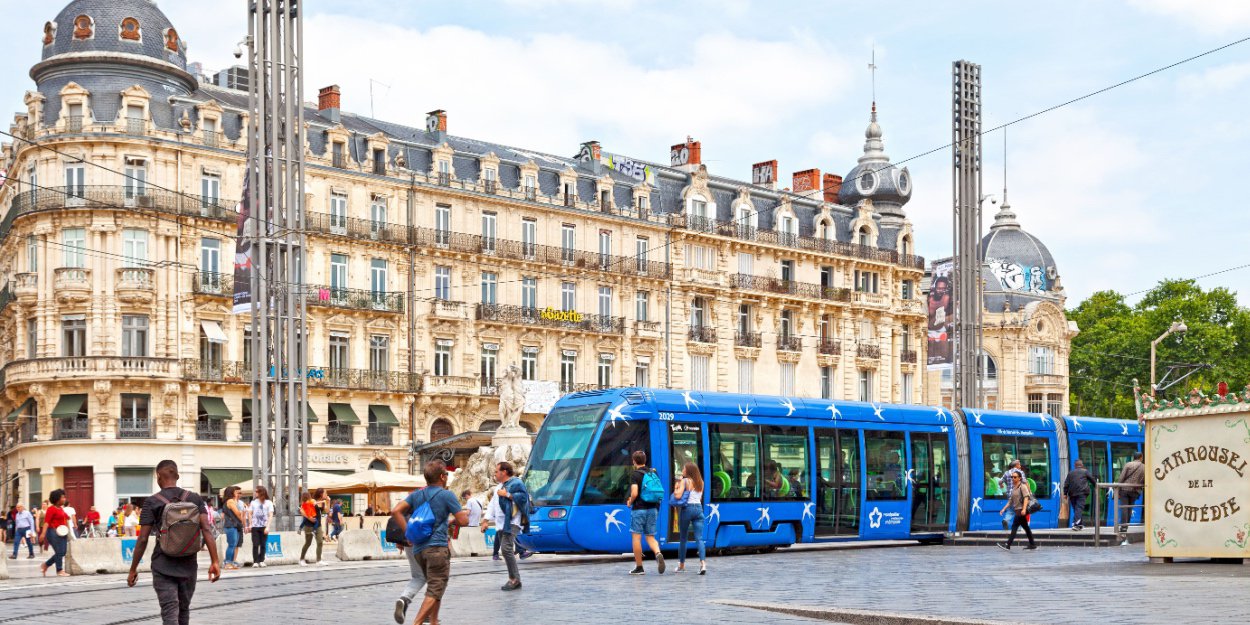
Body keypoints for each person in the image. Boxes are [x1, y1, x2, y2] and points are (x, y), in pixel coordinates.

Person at [127, 460, 221, 625]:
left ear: (158, 477)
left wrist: (133, 569)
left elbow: (142, 539)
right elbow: (206, 529)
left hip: (163, 565)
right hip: (189, 565)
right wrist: (215, 561)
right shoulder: (195, 499)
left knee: (170, 613)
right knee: (183, 611)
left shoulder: (152, 502)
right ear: (177, 476)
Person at [391, 459, 467, 625]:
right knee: (436, 586)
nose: (447, 476)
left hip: (419, 550)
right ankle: (418, 622)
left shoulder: (417, 494)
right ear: (442, 477)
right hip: (437, 548)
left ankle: (433, 621)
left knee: (436, 585)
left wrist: (409, 534)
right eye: (446, 474)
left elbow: (396, 511)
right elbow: (463, 521)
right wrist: (460, 516)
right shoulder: (446, 495)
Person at [492, 462, 529, 591]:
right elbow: (494, 504)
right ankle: (514, 578)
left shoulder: (516, 483)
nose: (495, 474)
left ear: (504, 472)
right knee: (506, 549)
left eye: (496, 471)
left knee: (506, 548)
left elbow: (523, 498)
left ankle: (514, 579)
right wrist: (486, 519)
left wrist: (507, 494)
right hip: (502, 523)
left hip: (512, 521)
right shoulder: (500, 486)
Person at [626, 450, 664, 575]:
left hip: (639, 509)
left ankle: (639, 567)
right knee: (650, 537)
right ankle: (658, 553)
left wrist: (630, 501)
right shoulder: (653, 472)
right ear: (645, 460)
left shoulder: (635, 474)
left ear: (634, 461)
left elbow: (635, 493)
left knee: (636, 538)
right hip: (653, 509)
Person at [674, 461, 707, 575]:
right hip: (698, 509)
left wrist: (676, 487)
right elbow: (700, 498)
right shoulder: (701, 482)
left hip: (687, 509)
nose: (682, 470)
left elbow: (678, 496)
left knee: (683, 538)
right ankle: (703, 564)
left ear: (688, 471)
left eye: (683, 468)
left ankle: (681, 565)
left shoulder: (685, 481)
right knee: (699, 538)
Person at [996, 472, 1037, 551]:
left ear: (1020, 478)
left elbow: (1026, 498)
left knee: (1014, 527)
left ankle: (1008, 544)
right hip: (1017, 510)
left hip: (1021, 510)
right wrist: (1003, 509)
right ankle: (1032, 544)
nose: (1013, 479)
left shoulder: (1023, 487)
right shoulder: (1014, 488)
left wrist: (1024, 509)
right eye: (1012, 477)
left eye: (1015, 477)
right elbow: (1010, 501)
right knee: (1026, 528)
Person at [39, 490, 71, 576]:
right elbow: (46, 522)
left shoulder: (61, 508)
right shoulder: (51, 509)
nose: (65, 499)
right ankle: (59, 570)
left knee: (62, 552)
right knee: (59, 552)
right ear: (57, 499)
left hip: (62, 532)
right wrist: (43, 534)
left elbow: (67, 518)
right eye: (63, 497)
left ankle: (46, 565)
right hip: (53, 532)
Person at [1117, 452, 1146, 544]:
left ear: (1134, 457)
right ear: (1141, 457)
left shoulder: (1128, 464)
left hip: (1124, 489)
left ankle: (1123, 528)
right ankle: (1126, 526)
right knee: (1130, 508)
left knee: (1124, 507)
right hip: (1135, 490)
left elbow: (1122, 477)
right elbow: (1145, 479)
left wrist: (1117, 487)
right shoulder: (1144, 467)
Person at [1063, 460, 1097, 531]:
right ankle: (1076, 524)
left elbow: (1066, 484)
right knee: (1079, 508)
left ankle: (1080, 524)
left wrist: (1065, 494)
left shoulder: (1070, 473)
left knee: (1076, 508)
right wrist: (1096, 486)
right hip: (1082, 493)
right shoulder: (1085, 471)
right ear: (1082, 465)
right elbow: (1093, 480)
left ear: (1075, 465)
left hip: (1072, 493)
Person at [299, 489, 327, 566]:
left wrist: (325, 501)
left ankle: (319, 560)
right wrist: (309, 518)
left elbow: (324, 510)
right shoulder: (305, 503)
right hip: (309, 525)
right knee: (308, 543)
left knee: (320, 542)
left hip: (318, 525)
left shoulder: (313, 501)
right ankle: (301, 559)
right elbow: (301, 511)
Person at [221, 486, 246, 570]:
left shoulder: (228, 501)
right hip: (231, 525)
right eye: (235, 492)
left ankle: (230, 562)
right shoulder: (230, 501)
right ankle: (228, 563)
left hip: (231, 525)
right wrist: (242, 519)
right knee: (232, 545)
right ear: (231, 493)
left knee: (233, 544)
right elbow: (237, 513)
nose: (237, 494)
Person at [249, 485, 274, 567]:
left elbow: (270, 515)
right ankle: (255, 561)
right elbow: (249, 513)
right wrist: (250, 524)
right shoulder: (253, 502)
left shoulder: (269, 502)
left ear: (261, 492)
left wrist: (268, 526)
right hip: (255, 526)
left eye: (257, 491)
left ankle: (262, 560)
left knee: (263, 544)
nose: (255, 493)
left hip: (264, 526)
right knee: (255, 544)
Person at [998, 460, 1024, 530]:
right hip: (1019, 494)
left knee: (1011, 510)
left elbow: (1000, 481)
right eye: (1019, 464)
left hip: (1010, 494)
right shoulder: (1020, 472)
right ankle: (1018, 528)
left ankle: (1006, 520)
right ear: (1016, 465)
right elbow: (1025, 482)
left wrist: (1001, 485)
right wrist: (1029, 492)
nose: (1020, 466)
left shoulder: (1007, 473)